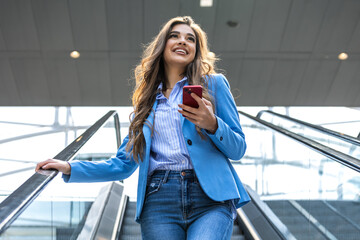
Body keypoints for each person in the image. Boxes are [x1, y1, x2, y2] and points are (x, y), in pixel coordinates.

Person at [36, 16, 250, 240]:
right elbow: (122, 164)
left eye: (190, 39)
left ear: (196, 50)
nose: (183, 42)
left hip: (211, 198)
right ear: (162, 45)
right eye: (174, 36)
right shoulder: (147, 103)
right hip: (159, 200)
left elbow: (238, 148)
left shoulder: (214, 85)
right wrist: (71, 167)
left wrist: (213, 124)